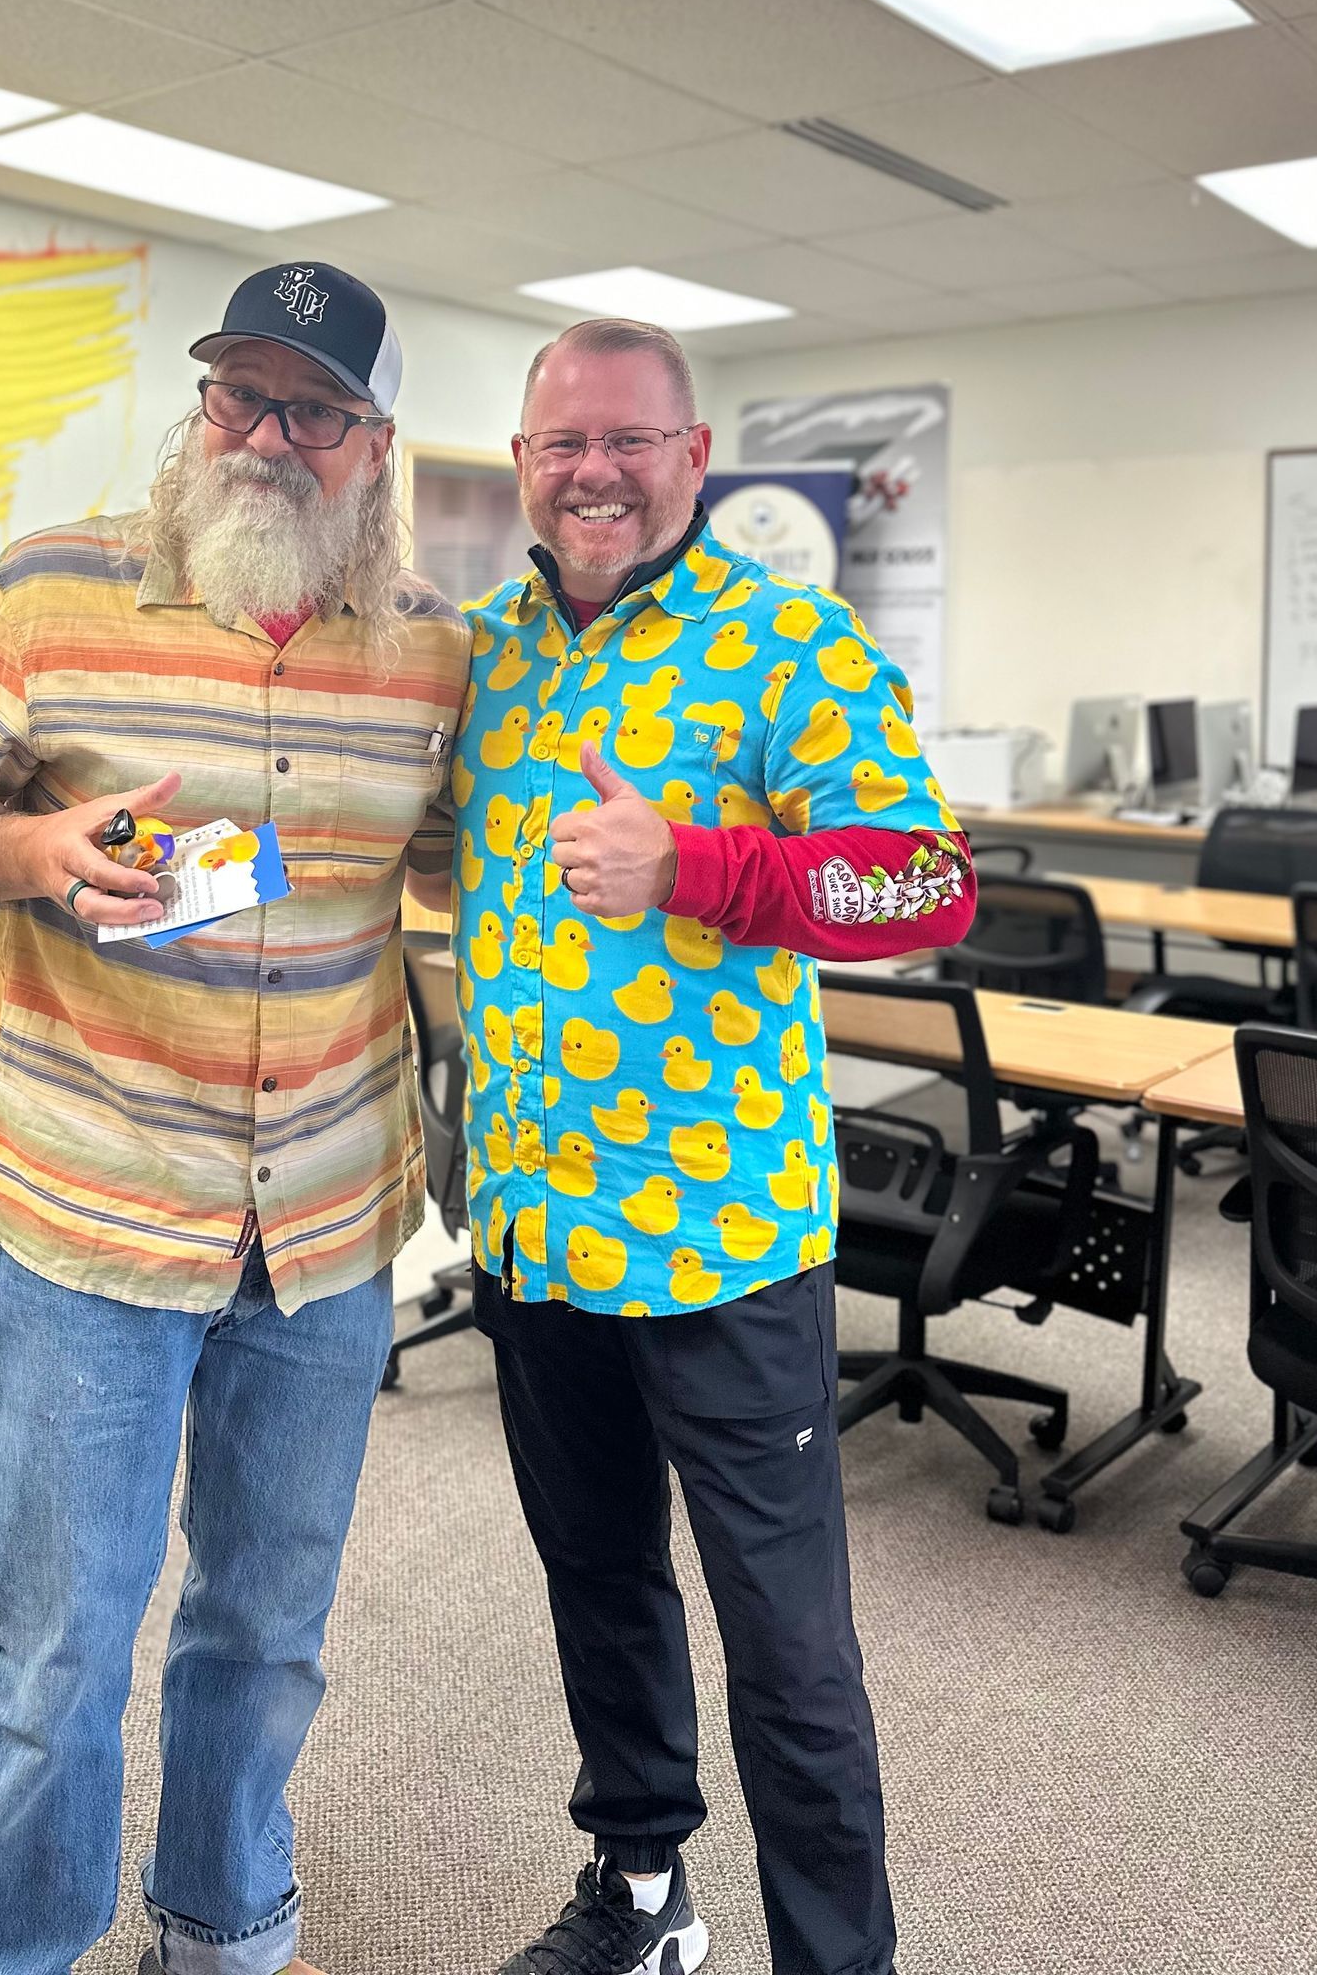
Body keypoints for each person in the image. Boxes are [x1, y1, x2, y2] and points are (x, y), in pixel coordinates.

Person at [0, 261, 468, 1975]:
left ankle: (223, 1930)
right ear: (202, 404)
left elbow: (449, 894)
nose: (269, 437)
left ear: (372, 442)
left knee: (266, 1629)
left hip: (333, 1233)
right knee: (60, 1651)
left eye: (314, 410)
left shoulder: (429, 652)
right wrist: (32, 855)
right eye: (239, 395)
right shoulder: (54, 592)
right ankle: (9, 1957)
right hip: (94, 1216)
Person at [444, 316, 977, 1975]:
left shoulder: (789, 647)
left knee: (792, 1655)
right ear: (524, 466)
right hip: (534, 1229)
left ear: (691, 460)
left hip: (719, 1237)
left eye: (626, 441)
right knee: (601, 1586)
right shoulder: (485, 655)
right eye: (560, 445)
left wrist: (704, 869)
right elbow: (428, 868)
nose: (592, 472)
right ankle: (645, 1897)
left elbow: (928, 886)